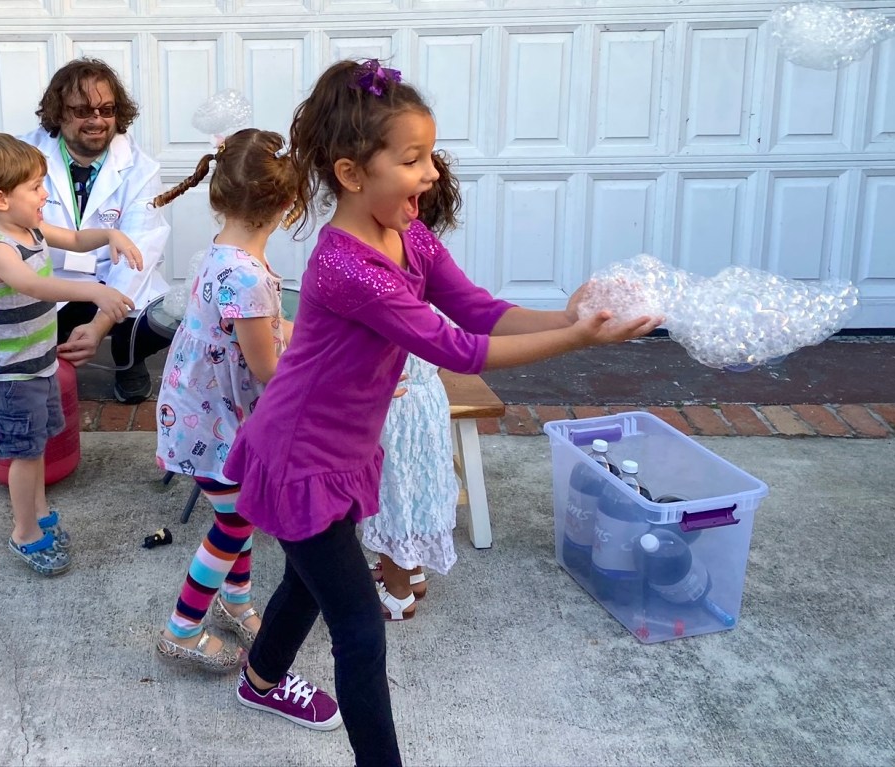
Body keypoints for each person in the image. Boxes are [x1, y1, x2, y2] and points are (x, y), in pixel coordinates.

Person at [220, 59, 662, 765]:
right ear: (352, 173)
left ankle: (259, 678)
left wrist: (571, 314)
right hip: (298, 455)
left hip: (340, 449)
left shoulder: (410, 234)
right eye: (413, 158)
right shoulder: (346, 264)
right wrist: (577, 339)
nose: (431, 174)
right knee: (361, 627)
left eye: (431, 154)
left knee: (309, 578)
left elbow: (478, 309)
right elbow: (458, 348)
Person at [148, 128, 335, 721]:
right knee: (235, 519)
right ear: (290, 206)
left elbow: (253, 341)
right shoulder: (250, 277)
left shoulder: (221, 253)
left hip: (199, 411)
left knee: (242, 507)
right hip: (214, 425)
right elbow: (267, 369)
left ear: (218, 195)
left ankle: (235, 599)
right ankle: (182, 627)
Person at [0, 133, 140, 576]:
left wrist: (110, 233)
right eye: (36, 187)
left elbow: (75, 239)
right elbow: (36, 286)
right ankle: (24, 532)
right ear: (0, 198)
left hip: (38, 366)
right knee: (22, 452)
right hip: (9, 376)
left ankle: (38, 513)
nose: (45, 194)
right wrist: (94, 291)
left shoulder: (32, 229)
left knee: (35, 447)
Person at [0, 58, 172, 404]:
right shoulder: (19, 159)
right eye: (82, 110)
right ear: (58, 112)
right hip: (49, 276)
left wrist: (98, 326)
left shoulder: (142, 169)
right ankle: (52, 362)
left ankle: (128, 360)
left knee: (162, 318)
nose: (97, 120)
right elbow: (3, 230)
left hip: (111, 279)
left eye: (107, 109)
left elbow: (138, 255)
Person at [364, 151, 463, 620]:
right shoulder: (424, 268)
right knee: (419, 488)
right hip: (426, 401)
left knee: (393, 497)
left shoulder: (389, 273)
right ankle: (414, 573)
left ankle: (398, 594)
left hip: (396, 404)